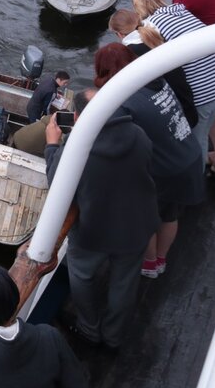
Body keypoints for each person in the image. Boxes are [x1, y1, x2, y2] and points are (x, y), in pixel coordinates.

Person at [45, 88, 158, 351]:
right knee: (124, 284)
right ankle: (114, 336)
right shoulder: (138, 135)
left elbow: (56, 183)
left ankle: (89, 328)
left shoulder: (77, 150)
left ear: (77, 116)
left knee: (82, 276)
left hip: (94, 232)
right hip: (137, 225)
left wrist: (52, 144)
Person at [92, 44, 204, 279]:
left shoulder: (122, 99)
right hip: (187, 154)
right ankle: (161, 259)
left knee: (145, 220)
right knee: (170, 214)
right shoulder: (156, 80)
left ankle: (149, 264)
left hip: (164, 170)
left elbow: (116, 141)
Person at [132, 0, 215, 172]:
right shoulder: (182, 12)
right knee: (208, 121)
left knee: (197, 139)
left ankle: (198, 179)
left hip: (202, 93)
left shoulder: (152, 26)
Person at [109, 9, 199, 129]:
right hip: (186, 101)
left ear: (119, 34)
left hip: (170, 113)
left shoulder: (130, 52)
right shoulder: (156, 36)